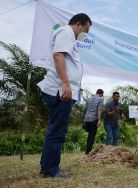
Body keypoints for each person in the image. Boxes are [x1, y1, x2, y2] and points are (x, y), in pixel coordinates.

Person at [37, 13, 92, 178]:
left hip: (63, 91)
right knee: (58, 130)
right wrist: (65, 83)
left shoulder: (70, 37)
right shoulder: (66, 32)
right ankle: (51, 169)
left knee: (56, 128)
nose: (86, 34)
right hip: (60, 91)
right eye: (86, 30)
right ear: (78, 24)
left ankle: (47, 166)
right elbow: (58, 55)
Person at [83, 89, 104, 154]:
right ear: (101, 94)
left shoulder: (89, 99)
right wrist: (99, 119)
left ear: (96, 92)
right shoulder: (100, 99)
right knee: (92, 136)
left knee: (89, 135)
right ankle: (88, 152)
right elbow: (99, 109)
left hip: (87, 119)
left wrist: (84, 119)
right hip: (93, 119)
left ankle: (87, 150)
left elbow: (85, 109)